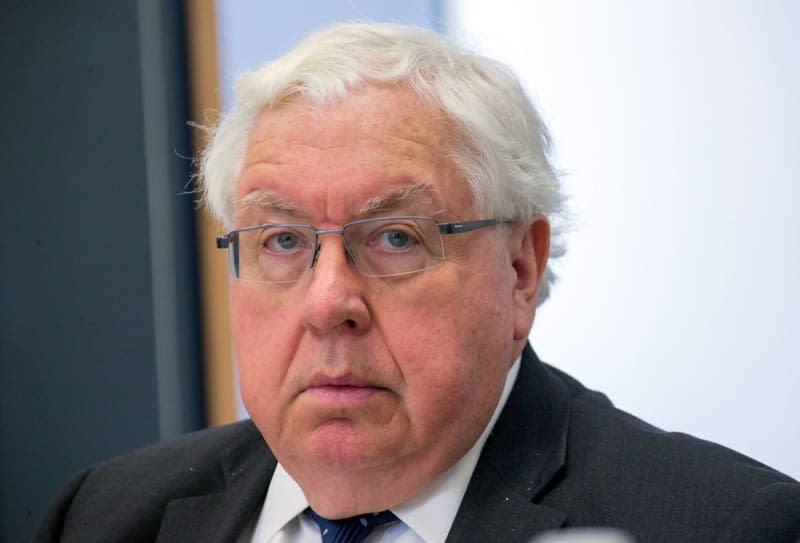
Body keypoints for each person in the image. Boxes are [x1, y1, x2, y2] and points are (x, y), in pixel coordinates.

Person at [35, 21, 800, 543]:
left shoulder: (723, 524)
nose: (329, 301)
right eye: (282, 240)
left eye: (396, 237)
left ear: (520, 269)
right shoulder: (104, 515)